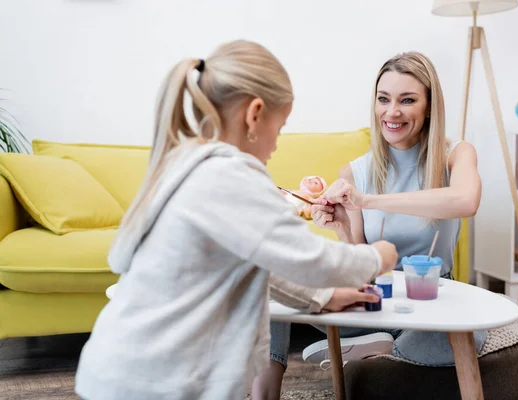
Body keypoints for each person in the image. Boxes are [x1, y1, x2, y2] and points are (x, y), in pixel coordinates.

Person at [73, 40, 399, 400]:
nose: (276, 142)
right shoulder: (230, 176)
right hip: (158, 381)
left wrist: (320, 298)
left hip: (119, 369)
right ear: (254, 114)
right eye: (281, 126)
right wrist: (379, 257)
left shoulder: (186, 163)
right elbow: (311, 259)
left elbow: (259, 264)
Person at [252, 51, 483, 400]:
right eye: (383, 99)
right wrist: (343, 229)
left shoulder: (456, 155)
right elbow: (361, 261)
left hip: (430, 298)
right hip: (375, 299)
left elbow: (466, 200)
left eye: (407, 100)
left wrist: (370, 201)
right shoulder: (356, 171)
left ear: (430, 106)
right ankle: (266, 395)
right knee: (270, 280)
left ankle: (380, 353)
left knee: (461, 336)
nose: (392, 112)